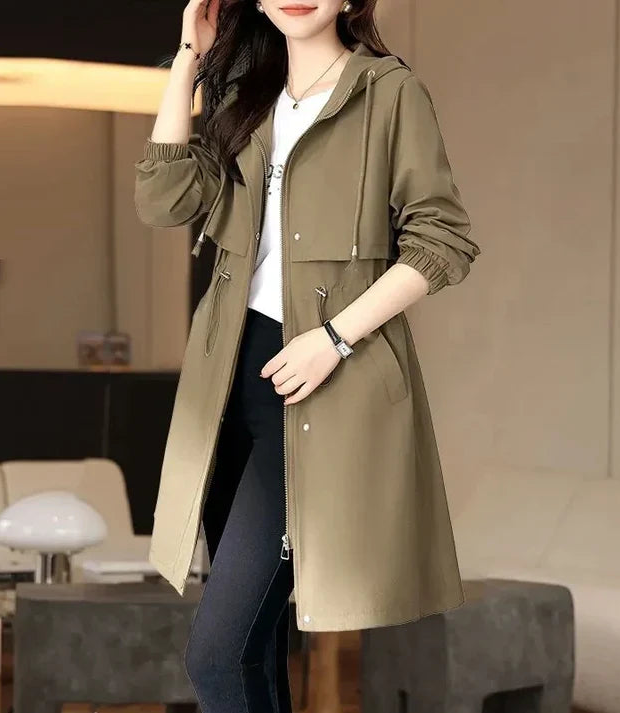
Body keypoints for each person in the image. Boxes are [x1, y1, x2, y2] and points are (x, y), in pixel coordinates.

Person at [134, 0, 481, 711]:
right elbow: (162, 200)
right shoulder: (245, 93)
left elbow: (442, 243)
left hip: (318, 386)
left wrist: (334, 338)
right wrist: (189, 62)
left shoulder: (389, 93)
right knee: (255, 654)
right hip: (222, 383)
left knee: (218, 657)